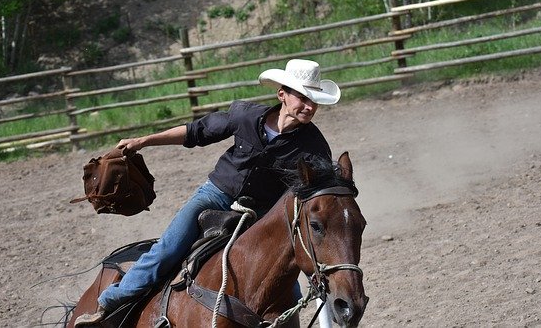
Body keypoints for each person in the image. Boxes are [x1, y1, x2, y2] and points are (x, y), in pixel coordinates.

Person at [74, 59, 341, 326]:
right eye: (303, 98)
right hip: (216, 195)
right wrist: (144, 140)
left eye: (314, 101)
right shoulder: (245, 116)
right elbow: (196, 132)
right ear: (282, 94)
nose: (309, 106)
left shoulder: (314, 147)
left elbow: (321, 194)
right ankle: (109, 305)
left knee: (286, 283)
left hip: (261, 214)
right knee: (167, 249)